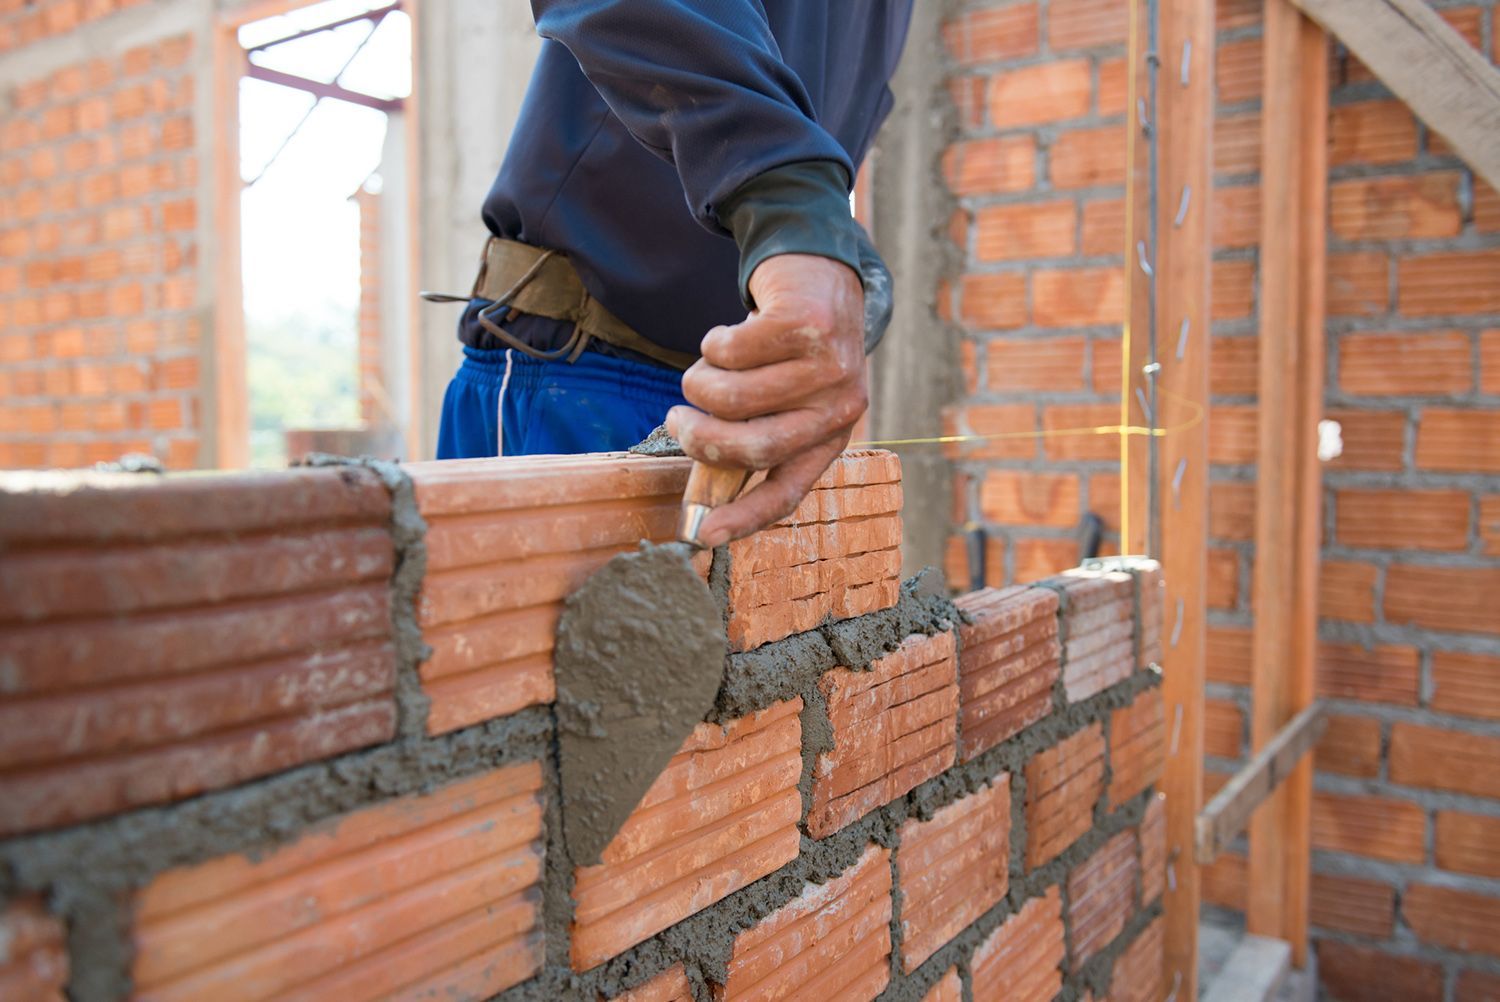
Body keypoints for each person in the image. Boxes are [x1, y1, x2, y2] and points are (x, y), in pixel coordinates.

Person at [431, 1, 915, 548]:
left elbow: (798, 114)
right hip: (577, 367)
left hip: (723, 407)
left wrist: (839, 249)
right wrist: (792, 210)